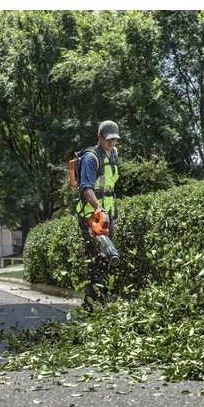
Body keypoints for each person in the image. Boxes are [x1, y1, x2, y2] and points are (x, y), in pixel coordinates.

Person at [76, 120, 121, 309]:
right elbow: (86, 187)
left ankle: (102, 299)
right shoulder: (90, 158)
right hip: (91, 216)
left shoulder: (113, 154)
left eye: (114, 140)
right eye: (108, 140)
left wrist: (107, 212)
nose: (111, 143)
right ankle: (92, 304)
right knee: (95, 258)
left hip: (108, 214)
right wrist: (98, 209)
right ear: (100, 136)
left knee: (109, 256)